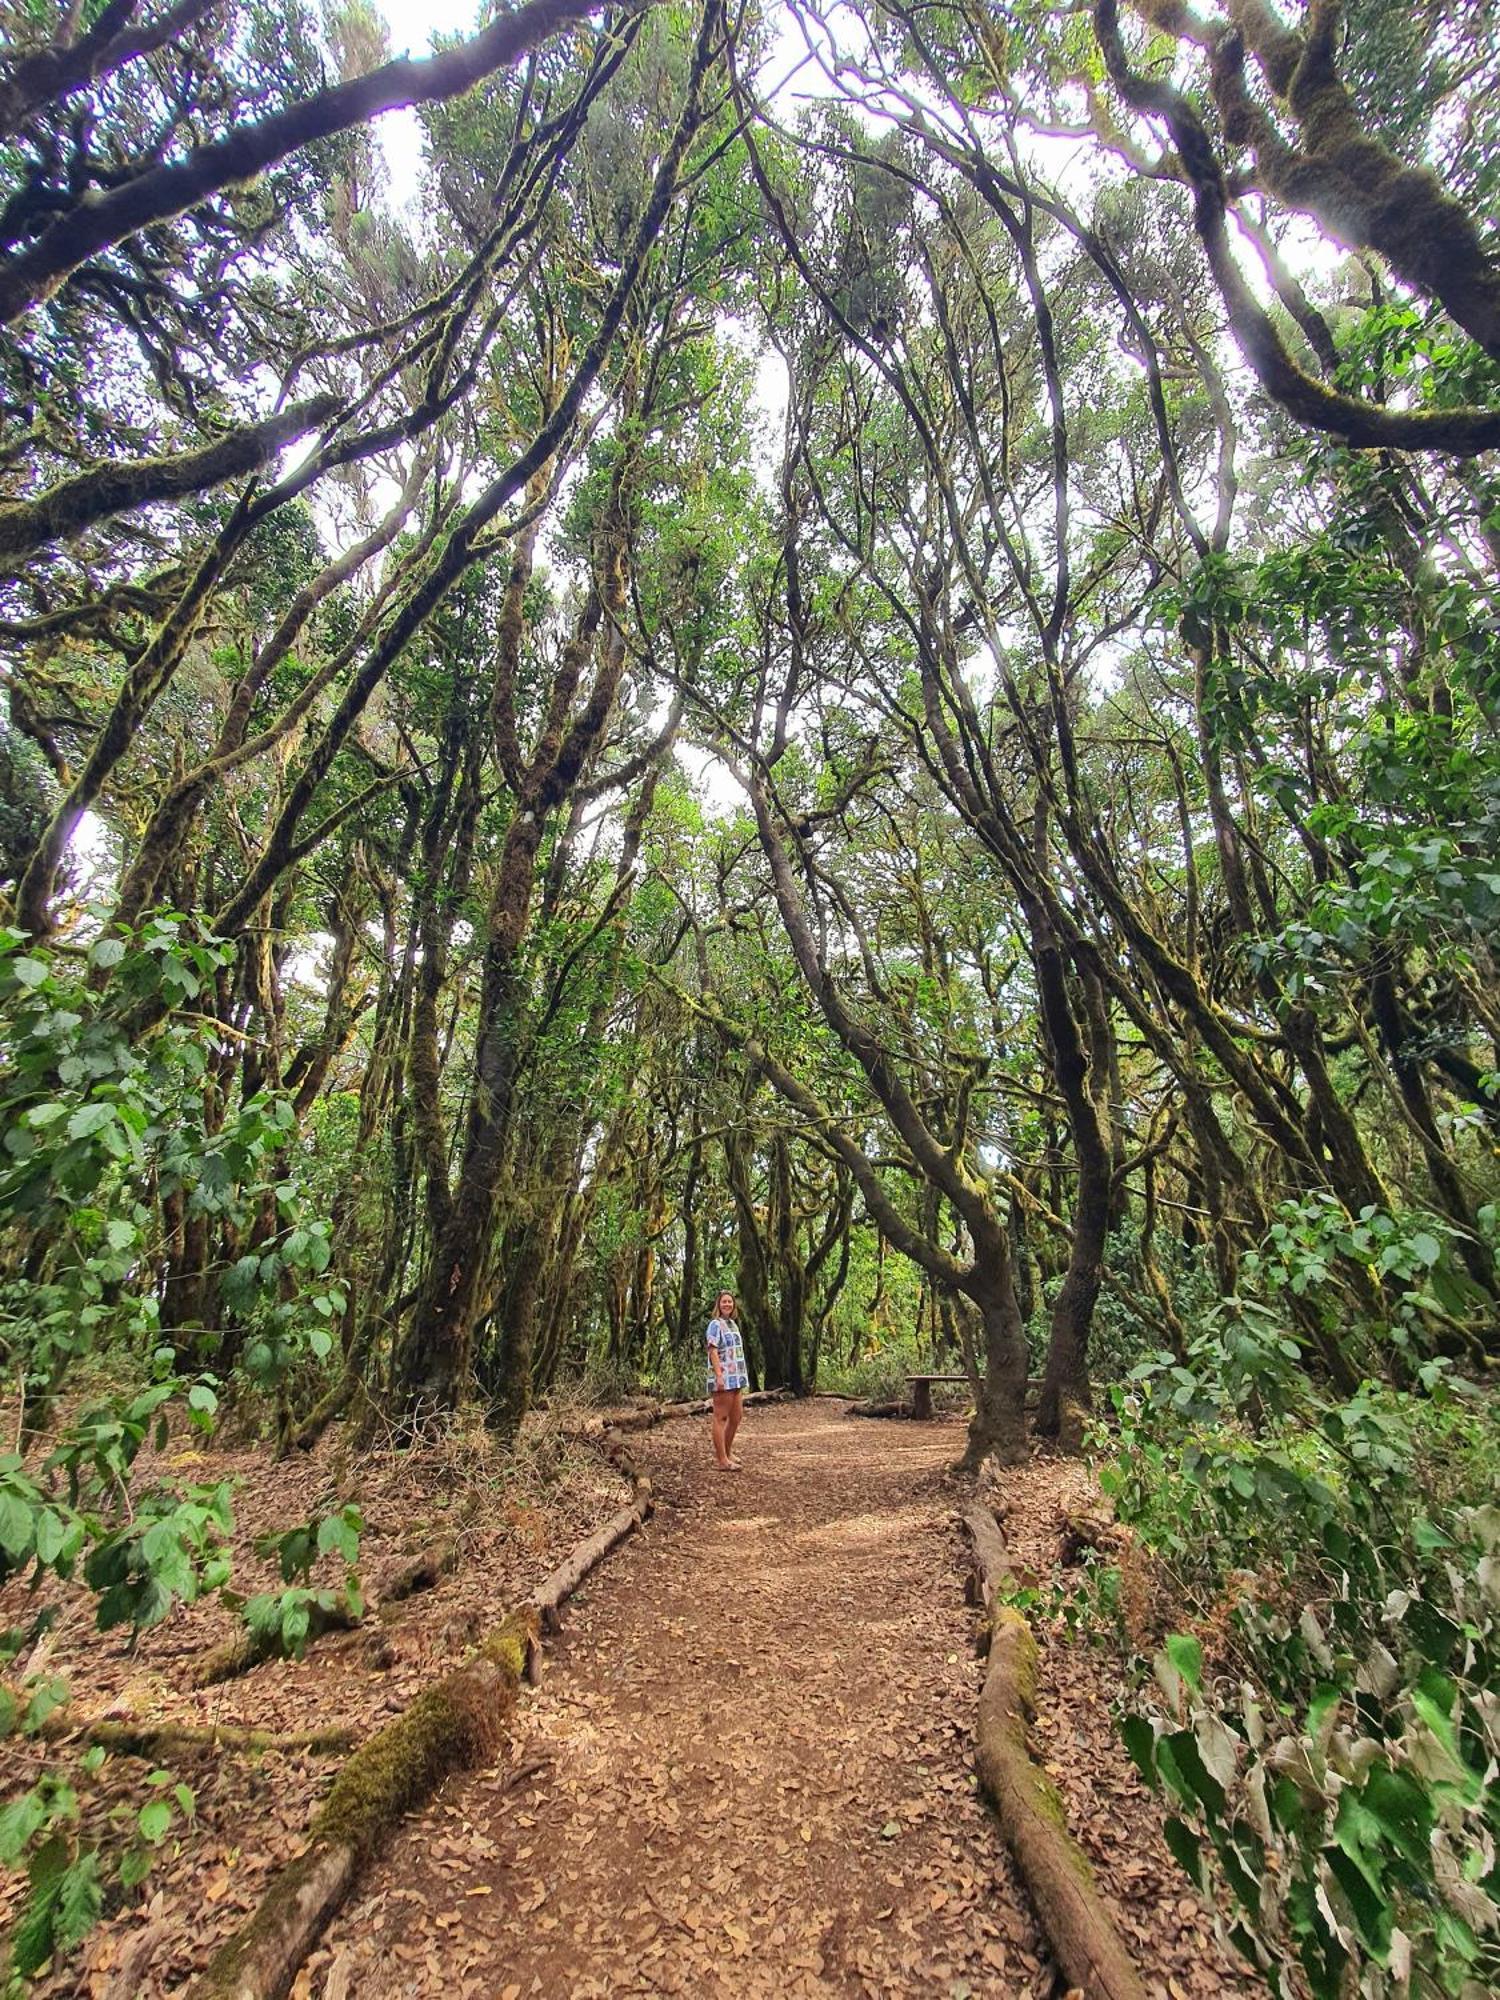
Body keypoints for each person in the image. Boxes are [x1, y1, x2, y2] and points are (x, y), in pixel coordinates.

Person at [705, 1290, 748, 1470]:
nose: (727, 1304)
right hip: (723, 1377)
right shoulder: (715, 1324)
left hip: (736, 1377)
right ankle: (722, 1460)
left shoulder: (732, 1324)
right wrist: (719, 1375)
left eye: (730, 1302)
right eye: (724, 1302)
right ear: (718, 1304)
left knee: (736, 1417)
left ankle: (728, 1452)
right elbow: (712, 1350)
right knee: (720, 1417)